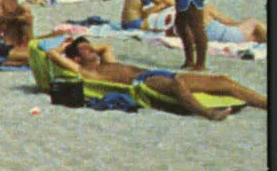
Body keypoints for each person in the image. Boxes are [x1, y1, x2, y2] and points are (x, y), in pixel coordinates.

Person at [47, 36, 266, 120]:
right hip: (144, 83)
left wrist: (87, 46)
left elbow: (106, 46)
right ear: (76, 58)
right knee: (177, 84)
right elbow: (51, 54)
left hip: (154, 74)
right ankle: (207, 113)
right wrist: (65, 46)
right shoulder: (84, 72)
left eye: (90, 46)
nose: (92, 50)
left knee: (223, 81)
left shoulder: (106, 61)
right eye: (85, 50)